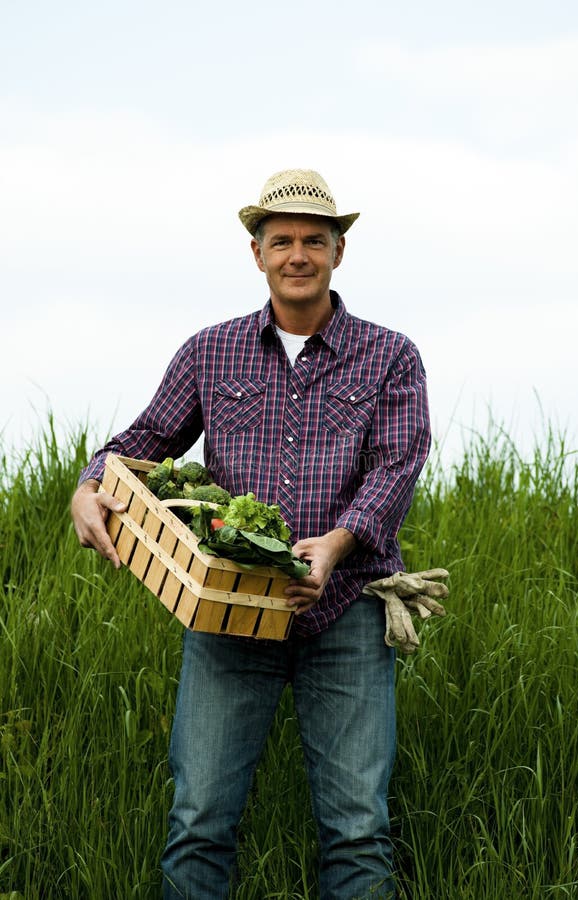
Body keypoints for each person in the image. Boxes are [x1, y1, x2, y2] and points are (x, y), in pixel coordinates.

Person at [71, 168, 431, 899]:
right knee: (199, 821)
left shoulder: (391, 354)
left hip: (349, 616)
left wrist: (336, 544)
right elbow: (147, 436)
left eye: (313, 241)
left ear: (337, 252)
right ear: (256, 253)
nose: (298, 254)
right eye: (282, 241)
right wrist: (90, 484)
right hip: (230, 615)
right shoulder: (212, 352)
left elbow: (398, 465)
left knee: (359, 832)